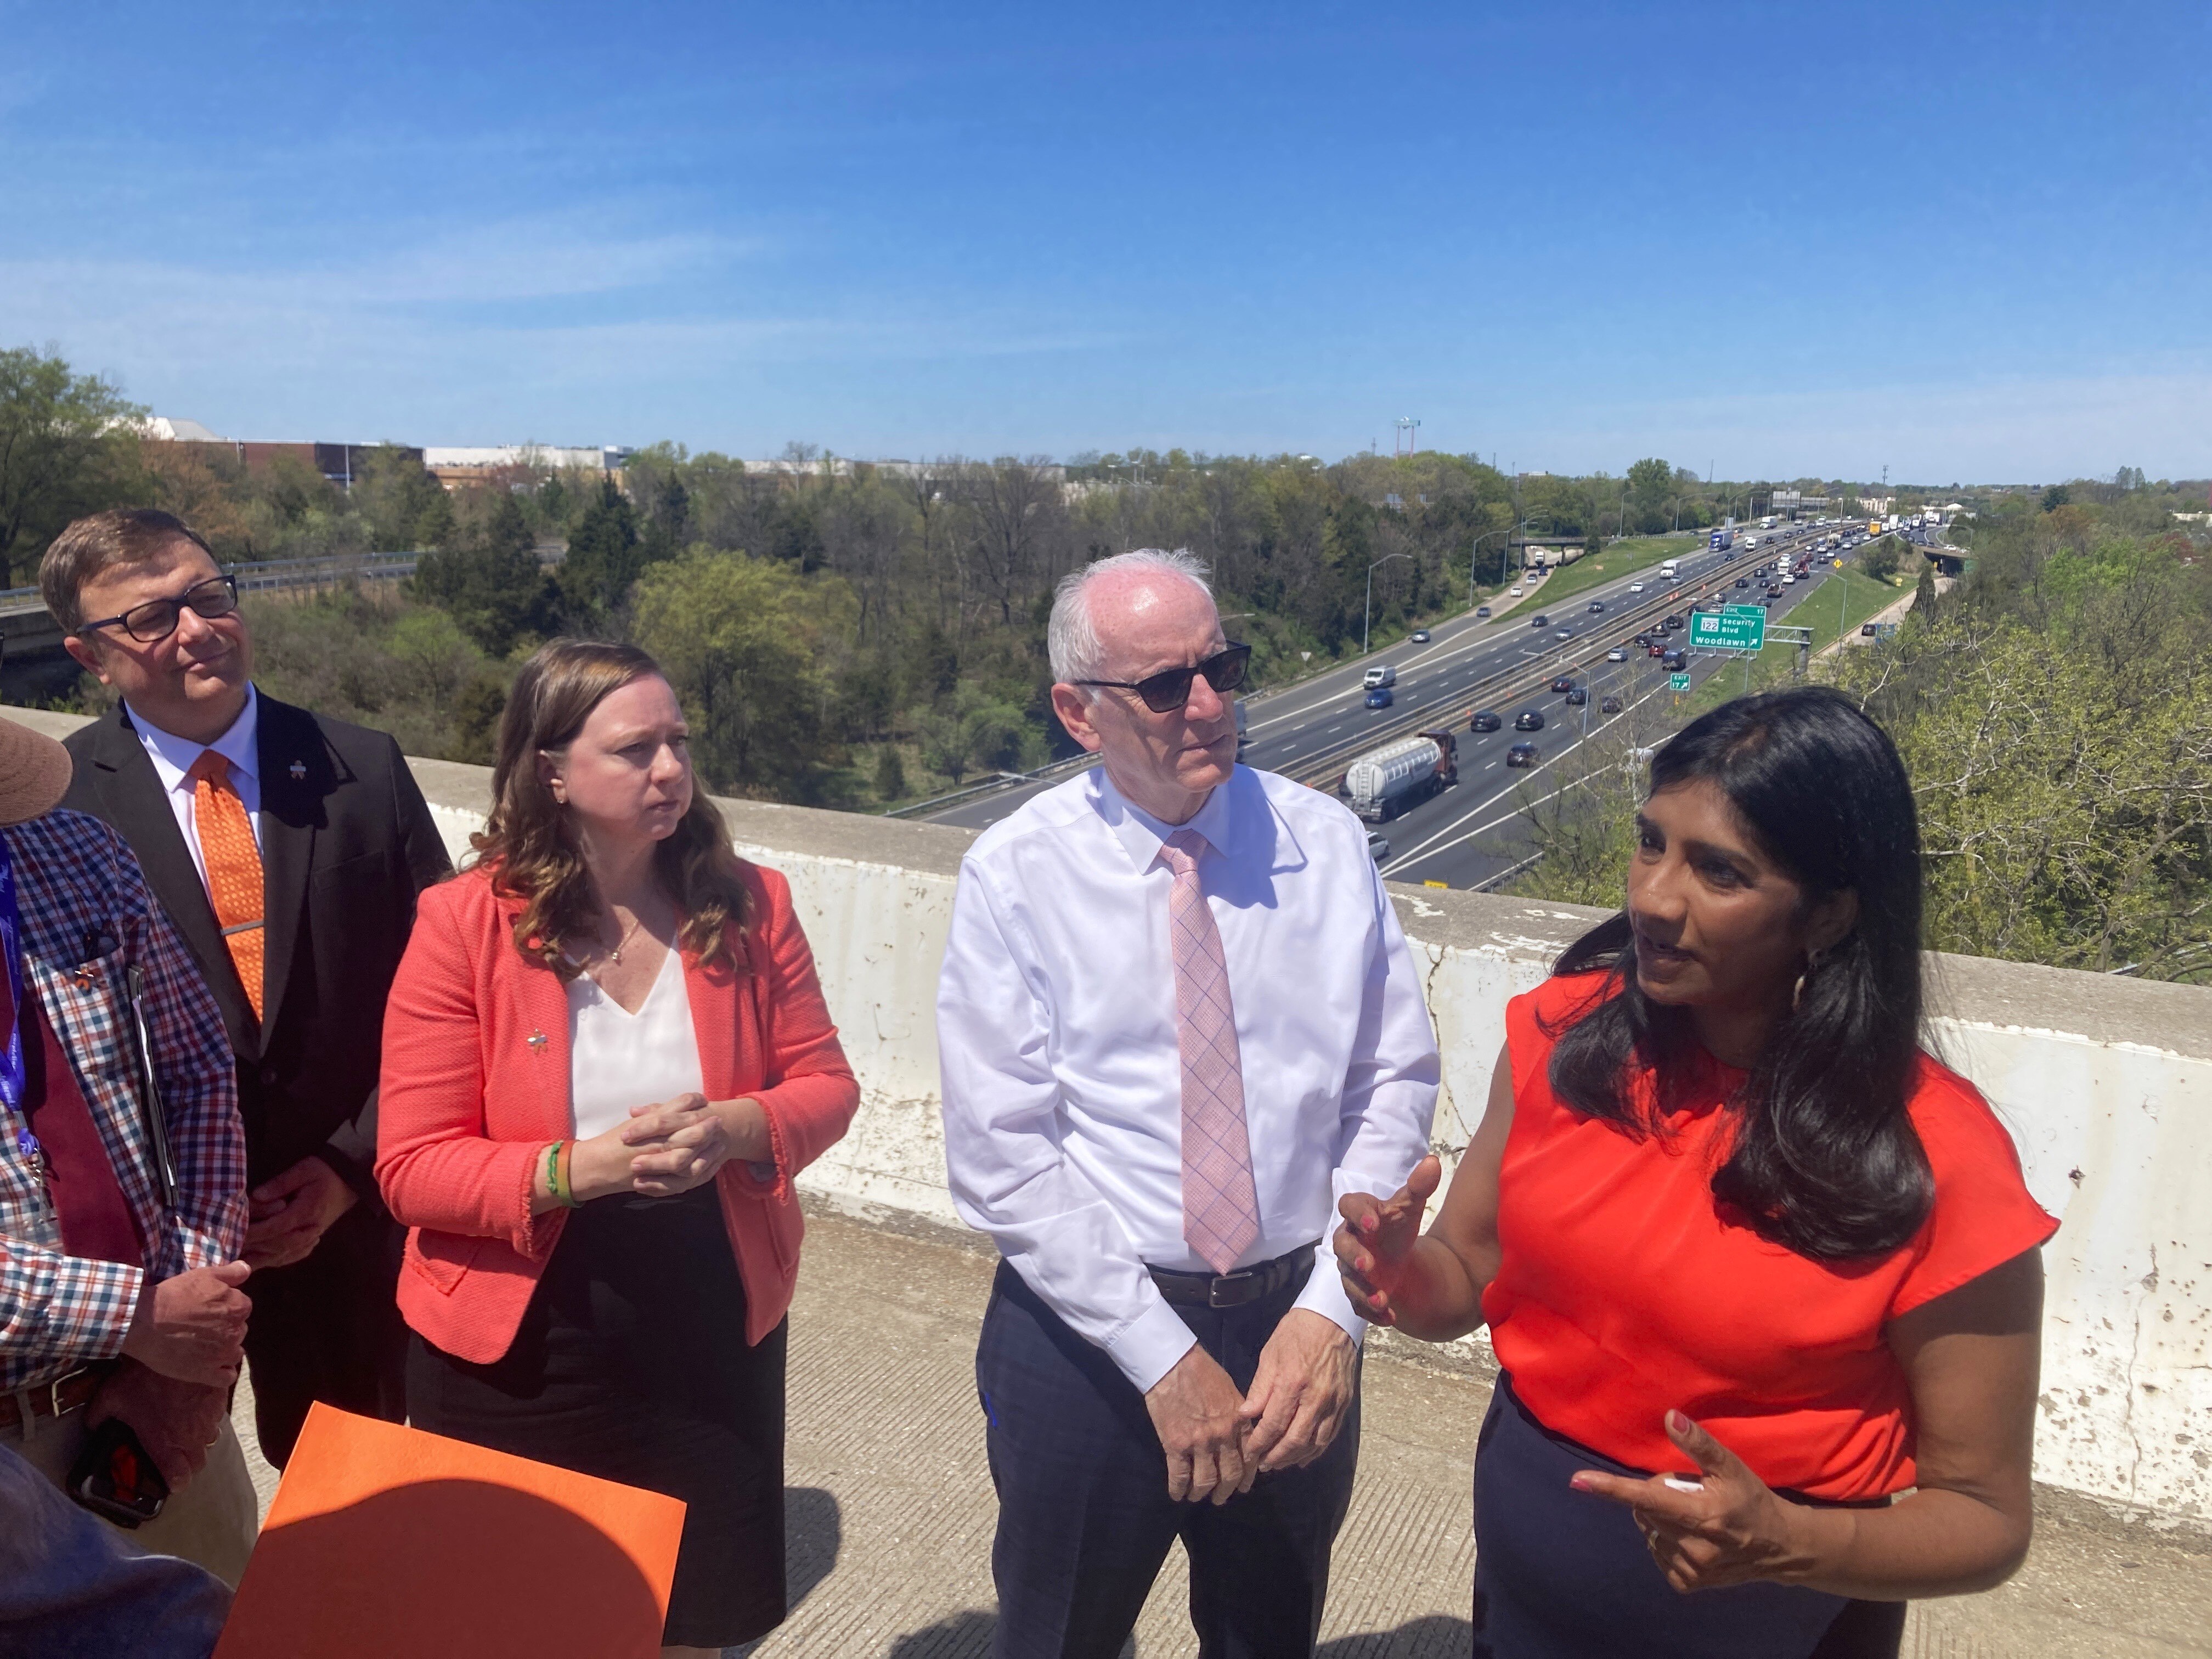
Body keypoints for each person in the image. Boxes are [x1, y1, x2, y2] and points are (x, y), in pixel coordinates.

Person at [1334, 686, 2057, 1659]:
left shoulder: (1933, 1155)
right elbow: (1465, 1272)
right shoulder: (1563, 1036)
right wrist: (1399, 1276)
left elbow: (1983, 1519)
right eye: (1650, 842)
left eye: (1718, 872)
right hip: (1524, 1591)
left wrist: (1791, 1545)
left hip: (1774, 1620)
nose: (1650, 897)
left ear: (1830, 915)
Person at [938, 549, 1439, 1659]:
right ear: (1080, 712)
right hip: (1086, 1339)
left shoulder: (1327, 843)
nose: (1209, 705)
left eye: (1223, 667)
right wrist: (1159, 1355)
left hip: (1291, 1333)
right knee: (1061, 1634)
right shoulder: (1016, 874)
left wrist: (1333, 1312)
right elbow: (1001, 1152)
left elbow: (1391, 1080)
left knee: (1269, 1636)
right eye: (1167, 686)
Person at [376, 639, 860, 1658]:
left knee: (690, 1617)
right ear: (550, 770)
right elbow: (412, 1165)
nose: (671, 770)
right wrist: (579, 1169)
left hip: (707, 1313)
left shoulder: (748, 901)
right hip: (524, 1338)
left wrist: (738, 1128)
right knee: (527, 1623)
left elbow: (826, 1084)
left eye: (678, 742)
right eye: (636, 748)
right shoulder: (462, 924)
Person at [46, 509, 453, 1470]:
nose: (194, 629)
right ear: (87, 655)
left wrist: (351, 1171)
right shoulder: (58, 803)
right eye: (148, 619)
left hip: (343, 1222)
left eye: (207, 596)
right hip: (158, 1259)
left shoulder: (363, 768)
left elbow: (451, 1003)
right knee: (156, 1502)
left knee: (345, 1490)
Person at [0, 712, 258, 1585]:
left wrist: (193, 1336)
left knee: (225, 1629)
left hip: (150, 1418)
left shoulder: (74, 854)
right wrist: (139, 1318)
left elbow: (196, 1073)